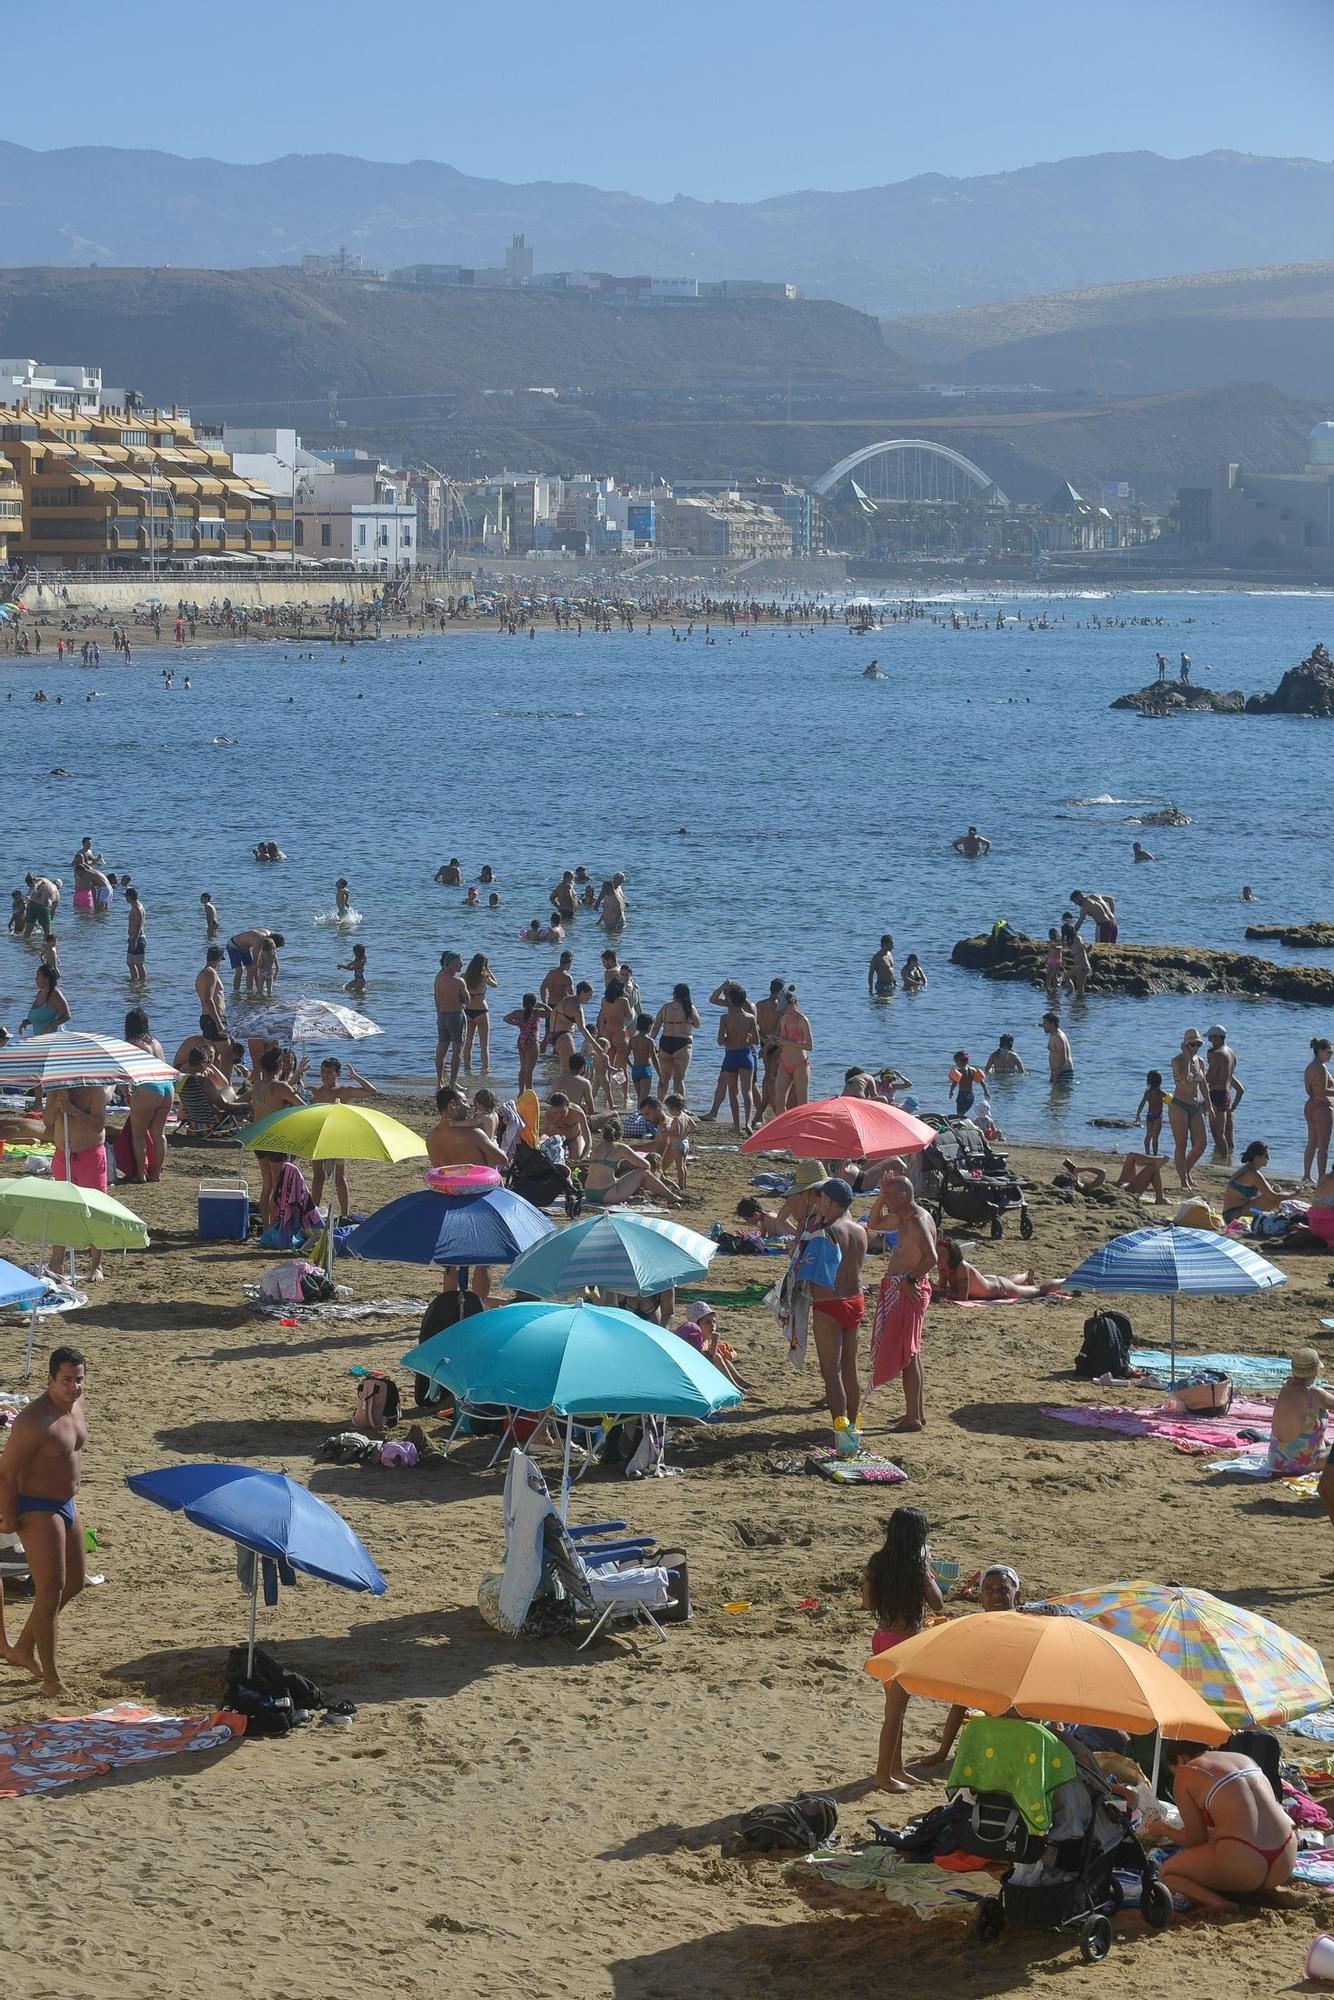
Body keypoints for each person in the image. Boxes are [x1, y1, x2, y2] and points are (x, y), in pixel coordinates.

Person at [0, 1346, 88, 1697]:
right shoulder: (34, 1420)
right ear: (51, 1379)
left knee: (75, 1583)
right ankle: (52, 1679)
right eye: (66, 1380)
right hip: (35, 1506)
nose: (73, 1387)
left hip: (66, 1501)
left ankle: (21, 1647)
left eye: (78, 1379)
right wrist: (8, 1517)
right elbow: (6, 1473)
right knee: (49, 1590)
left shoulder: (79, 1405)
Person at [1148, 1741, 1296, 1912]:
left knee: (1166, 1873)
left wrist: (1161, 1828)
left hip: (1245, 1860)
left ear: (1180, 1760)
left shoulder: (1187, 1771)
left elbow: (1196, 1839)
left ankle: (1219, 1904)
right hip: (1285, 1857)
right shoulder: (1244, 1759)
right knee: (1224, 1848)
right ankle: (1270, 1891)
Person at [910, 1565, 1023, 1774]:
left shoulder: (1028, 1633)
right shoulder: (978, 1635)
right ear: (981, 1597)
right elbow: (961, 1696)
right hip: (995, 1731)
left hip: (1027, 1729)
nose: (996, 1595)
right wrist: (942, 1753)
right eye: (988, 1589)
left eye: (1003, 1589)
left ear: (1017, 1597)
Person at [862, 1507, 944, 1791]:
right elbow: (938, 1604)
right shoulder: (917, 1569)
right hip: (905, 1645)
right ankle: (884, 1776)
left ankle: (895, 1768)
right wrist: (928, 1574)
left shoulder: (877, 1563)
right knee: (894, 1714)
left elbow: (868, 1604)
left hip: (883, 1638)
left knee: (897, 1710)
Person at [799, 1177, 868, 1450]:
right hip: (856, 1300)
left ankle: (840, 1431)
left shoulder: (827, 1233)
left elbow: (813, 1275)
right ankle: (854, 1428)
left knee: (831, 1371)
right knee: (850, 1369)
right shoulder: (861, 1231)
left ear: (828, 1201)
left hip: (830, 1304)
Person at [866, 1173, 936, 1433]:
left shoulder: (917, 1220)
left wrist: (909, 1280)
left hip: (910, 1289)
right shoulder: (904, 1216)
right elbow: (874, 1223)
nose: (887, 1203)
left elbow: (932, 1257)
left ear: (904, 1197)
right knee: (912, 1354)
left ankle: (913, 1419)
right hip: (902, 1286)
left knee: (907, 1355)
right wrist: (881, 1196)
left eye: (889, 1198)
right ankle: (915, 1413)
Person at [43, 1084, 108, 1280]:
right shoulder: (56, 1089)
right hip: (64, 1155)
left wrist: (73, 1109)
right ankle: (57, 1263)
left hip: (90, 1155)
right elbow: (47, 1120)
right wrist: (57, 1103)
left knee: (95, 1209)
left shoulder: (96, 1091)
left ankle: (96, 1265)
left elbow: (98, 1125)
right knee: (61, 1208)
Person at [582, 1117, 681, 1209]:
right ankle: (671, 1197)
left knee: (617, 1178)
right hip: (606, 1194)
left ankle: (626, 1197)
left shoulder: (596, 1148)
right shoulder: (620, 1147)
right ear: (620, 1133)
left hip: (589, 1193)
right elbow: (646, 1165)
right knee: (644, 1172)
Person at [123, 1007, 172, 1184]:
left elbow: (124, 1073)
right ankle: (156, 1173)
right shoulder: (156, 1042)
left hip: (148, 1088)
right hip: (167, 1087)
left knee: (139, 1134)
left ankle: (141, 1173)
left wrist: (125, 1092)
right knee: (159, 1133)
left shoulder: (131, 1043)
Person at [1267, 1350, 1334, 1478]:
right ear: (1315, 1371)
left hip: (1276, 1461)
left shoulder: (1285, 1386)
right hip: (1304, 1465)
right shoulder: (1315, 1394)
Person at [705, 982, 761, 1133]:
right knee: (747, 1091)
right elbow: (756, 1041)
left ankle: (736, 1126)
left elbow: (719, 1041)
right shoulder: (750, 1018)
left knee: (733, 1092)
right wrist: (746, 1038)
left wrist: (727, 1038)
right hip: (746, 1054)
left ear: (730, 1000)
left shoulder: (725, 1017)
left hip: (731, 1055)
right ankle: (748, 1123)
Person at [936, 1237, 1064, 1301]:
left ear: (952, 1256)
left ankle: (1068, 1281)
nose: (939, 1257)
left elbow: (961, 1297)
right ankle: (1026, 1275)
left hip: (1000, 1289)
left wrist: (938, 1291)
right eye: (938, 1253)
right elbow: (942, 1288)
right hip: (991, 1282)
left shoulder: (961, 1267)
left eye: (943, 1254)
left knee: (1039, 1290)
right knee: (1009, 1281)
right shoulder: (943, 1267)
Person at [1169, 1029, 1210, 1189]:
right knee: (1181, 1144)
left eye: (1197, 1044)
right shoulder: (1177, 1061)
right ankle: (1183, 1180)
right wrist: (1187, 1057)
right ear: (1185, 1045)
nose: (1195, 1047)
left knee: (1202, 1143)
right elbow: (1185, 1078)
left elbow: (1203, 1084)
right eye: (1192, 1044)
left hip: (1195, 1105)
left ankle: (1186, 1170)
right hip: (1179, 1105)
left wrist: (1210, 1104)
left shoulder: (1199, 1061)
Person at [1221, 1139, 1286, 1229]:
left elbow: (1260, 1193)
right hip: (1234, 1215)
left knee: (1272, 1198)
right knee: (1273, 1200)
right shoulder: (1252, 1174)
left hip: (1236, 1212)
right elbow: (1273, 1196)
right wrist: (1295, 1193)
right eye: (1266, 1156)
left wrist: (1272, 1189)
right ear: (1257, 1157)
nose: (1268, 1159)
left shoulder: (1247, 1169)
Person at [651, 983, 700, 1100]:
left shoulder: (666, 1007)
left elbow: (656, 1027)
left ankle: (660, 1104)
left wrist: (651, 1041)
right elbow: (697, 1025)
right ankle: (680, 1108)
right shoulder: (690, 1008)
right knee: (678, 1080)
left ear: (675, 993)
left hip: (666, 1042)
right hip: (683, 1044)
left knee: (664, 1077)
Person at [773, 985, 813, 1114]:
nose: (784, 1011)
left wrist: (789, 1043)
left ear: (792, 1004)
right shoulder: (784, 1019)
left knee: (802, 1103)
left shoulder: (802, 1020)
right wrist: (775, 1041)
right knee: (779, 1100)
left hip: (799, 1064)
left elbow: (809, 1046)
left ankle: (803, 1130)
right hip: (784, 1063)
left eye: (785, 1008)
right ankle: (783, 1130)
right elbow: (783, 1042)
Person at [1204, 1025, 1242, 1155]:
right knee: (1226, 1133)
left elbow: (1210, 1077)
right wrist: (1234, 1105)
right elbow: (1229, 1078)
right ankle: (1227, 1161)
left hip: (1216, 1094)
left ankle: (1222, 1160)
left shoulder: (1216, 1054)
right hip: (1226, 1094)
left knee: (1217, 1133)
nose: (1210, 1041)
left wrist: (1197, 1076)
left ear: (1217, 1037)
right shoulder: (1231, 1053)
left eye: (1211, 1038)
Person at [434, 952, 468, 1088]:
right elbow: (468, 1000)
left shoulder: (438, 977)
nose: (462, 964)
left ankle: (439, 1082)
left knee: (441, 1049)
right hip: (455, 1015)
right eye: (459, 962)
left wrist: (439, 1012)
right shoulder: (458, 980)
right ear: (452, 963)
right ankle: (453, 1082)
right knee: (457, 1050)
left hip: (442, 1014)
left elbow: (436, 997)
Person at [461, 952, 498, 1073]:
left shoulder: (464, 976)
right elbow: (495, 984)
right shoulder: (484, 976)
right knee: (484, 1045)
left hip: (468, 1011)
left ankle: (467, 1068)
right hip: (481, 1011)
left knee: (468, 1043)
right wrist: (489, 969)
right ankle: (485, 1069)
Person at [1304, 1037, 1334, 1182]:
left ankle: (1307, 1175)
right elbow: (1322, 1092)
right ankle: (1321, 1178)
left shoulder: (1310, 1066)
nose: (1331, 1055)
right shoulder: (1321, 1067)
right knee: (1323, 1145)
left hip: (1310, 1106)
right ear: (1320, 1051)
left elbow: (1309, 1090)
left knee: (1312, 1143)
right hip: (1322, 1108)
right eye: (1329, 1052)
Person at [504, 994, 547, 1093]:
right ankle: (529, 1091)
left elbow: (505, 1018)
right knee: (530, 1069)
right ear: (534, 1003)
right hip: (532, 1041)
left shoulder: (518, 1013)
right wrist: (543, 1005)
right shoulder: (536, 1012)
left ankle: (521, 1092)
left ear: (523, 1003)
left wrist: (517, 1023)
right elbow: (551, 1013)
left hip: (521, 1039)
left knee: (523, 1068)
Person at [21, 964, 70, 1037]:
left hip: (55, 1039)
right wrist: (26, 1021)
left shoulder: (54, 994)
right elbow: (40, 1017)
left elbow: (67, 1015)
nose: (35, 979)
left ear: (46, 978)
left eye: (38, 976)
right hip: (41, 1040)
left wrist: (51, 1024)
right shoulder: (40, 993)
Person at [1135, 1070, 1166, 1154]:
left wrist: (1138, 1114)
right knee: (1155, 1138)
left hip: (1149, 1115)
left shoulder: (1147, 1092)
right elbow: (1170, 1104)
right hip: (1158, 1116)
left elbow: (1142, 1104)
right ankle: (1155, 1155)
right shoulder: (1162, 1093)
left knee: (1148, 1136)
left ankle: (1147, 1153)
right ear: (1160, 1081)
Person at [196, 945, 227, 1027]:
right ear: (219, 958)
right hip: (213, 1018)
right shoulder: (211, 973)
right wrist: (218, 1022)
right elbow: (208, 999)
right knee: (228, 1040)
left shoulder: (202, 973)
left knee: (230, 1039)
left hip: (207, 1017)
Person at [1041, 1011, 1074, 1086]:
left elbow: (1064, 1059)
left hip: (1062, 1073)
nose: (1043, 1025)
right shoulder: (1053, 1034)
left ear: (1052, 1024)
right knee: (1055, 1097)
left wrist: (1056, 1076)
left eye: (1045, 1023)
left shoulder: (1059, 1038)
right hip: (1057, 1073)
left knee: (1058, 1096)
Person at [124, 886, 147, 985]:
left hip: (137, 938)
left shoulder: (137, 909)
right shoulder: (134, 907)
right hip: (132, 938)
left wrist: (135, 940)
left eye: (126, 897)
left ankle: (142, 983)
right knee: (130, 962)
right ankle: (134, 981)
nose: (125, 899)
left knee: (138, 964)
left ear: (130, 897)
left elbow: (138, 925)